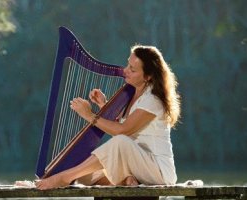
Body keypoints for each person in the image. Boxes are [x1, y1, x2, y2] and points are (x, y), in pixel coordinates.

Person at [35, 45, 181, 190]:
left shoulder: (152, 100)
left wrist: (89, 115)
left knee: (120, 141)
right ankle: (126, 180)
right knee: (84, 176)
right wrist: (103, 105)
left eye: (132, 69)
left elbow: (123, 131)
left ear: (148, 76)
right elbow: (125, 126)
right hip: (137, 163)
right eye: (128, 65)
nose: (125, 71)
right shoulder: (133, 93)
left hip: (158, 170)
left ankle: (64, 178)